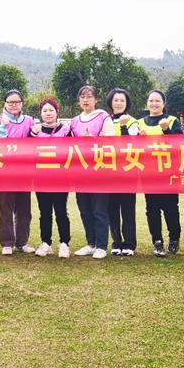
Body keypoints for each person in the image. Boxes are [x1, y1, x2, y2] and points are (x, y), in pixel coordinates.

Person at [136, 90, 183, 256]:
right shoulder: (140, 123)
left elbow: (180, 144)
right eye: (151, 101)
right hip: (148, 173)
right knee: (152, 209)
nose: (154, 104)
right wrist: (138, 139)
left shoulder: (172, 120)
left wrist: (166, 130)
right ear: (147, 103)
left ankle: (174, 238)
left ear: (164, 103)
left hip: (169, 173)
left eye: (157, 101)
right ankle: (157, 241)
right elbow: (132, 147)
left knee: (171, 208)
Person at [69, 85, 113, 259]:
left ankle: (101, 246)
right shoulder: (74, 121)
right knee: (85, 208)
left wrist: (93, 141)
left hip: (100, 171)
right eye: (82, 97)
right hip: (80, 172)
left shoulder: (103, 117)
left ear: (96, 100)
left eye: (89, 97)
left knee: (99, 209)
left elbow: (111, 143)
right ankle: (91, 243)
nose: (85, 100)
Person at [0, 90, 34, 255]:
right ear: (5, 104)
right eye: (10, 102)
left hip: (24, 171)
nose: (14, 105)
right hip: (4, 172)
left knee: (24, 209)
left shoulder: (29, 120)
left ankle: (22, 242)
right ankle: (7, 242)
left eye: (17, 102)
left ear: (22, 103)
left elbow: (35, 139)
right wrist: (3, 126)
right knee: (6, 207)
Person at [31, 98, 71, 258]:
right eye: (45, 111)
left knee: (61, 211)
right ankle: (45, 243)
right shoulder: (35, 131)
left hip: (61, 177)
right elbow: (25, 149)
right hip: (41, 177)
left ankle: (64, 243)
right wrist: (33, 132)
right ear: (40, 113)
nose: (48, 113)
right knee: (44, 212)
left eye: (51, 110)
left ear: (57, 112)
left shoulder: (66, 130)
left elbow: (74, 149)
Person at [104, 88, 139, 256]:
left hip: (127, 171)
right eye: (116, 100)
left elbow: (131, 144)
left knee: (127, 208)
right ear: (110, 102)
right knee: (112, 208)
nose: (118, 103)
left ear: (127, 103)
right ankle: (116, 242)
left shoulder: (132, 121)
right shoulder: (106, 120)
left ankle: (129, 243)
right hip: (109, 171)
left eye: (122, 100)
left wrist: (124, 126)